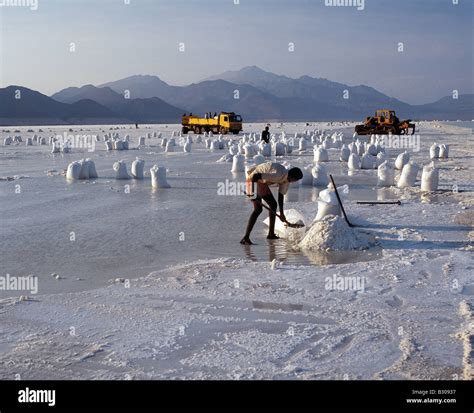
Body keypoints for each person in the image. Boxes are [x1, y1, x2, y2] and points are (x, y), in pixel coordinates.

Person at [240, 162, 303, 245]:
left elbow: (281, 196)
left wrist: (282, 214)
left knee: (273, 205)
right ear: (292, 177)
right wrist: (253, 193)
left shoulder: (286, 180)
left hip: (261, 182)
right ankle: (246, 238)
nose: (295, 182)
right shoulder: (279, 174)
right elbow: (255, 176)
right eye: (296, 180)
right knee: (258, 209)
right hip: (253, 179)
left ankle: (271, 234)